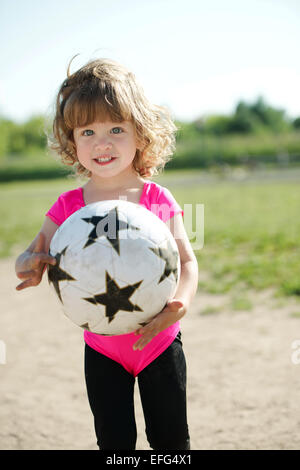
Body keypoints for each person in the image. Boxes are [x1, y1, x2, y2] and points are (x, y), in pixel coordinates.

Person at [15, 57, 199, 450]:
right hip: (101, 348)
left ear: (140, 133)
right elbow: (29, 256)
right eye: (87, 131)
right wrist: (28, 266)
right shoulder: (68, 207)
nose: (103, 142)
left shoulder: (157, 199)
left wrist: (179, 304)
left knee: (172, 442)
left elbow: (186, 262)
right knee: (114, 443)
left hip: (160, 342)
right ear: (73, 141)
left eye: (117, 128)